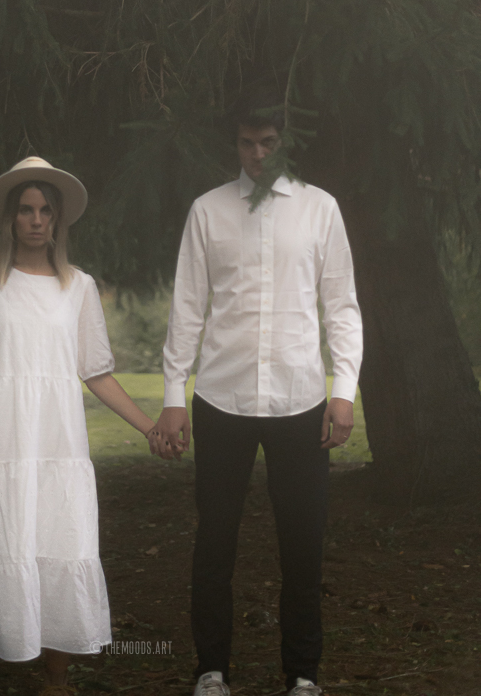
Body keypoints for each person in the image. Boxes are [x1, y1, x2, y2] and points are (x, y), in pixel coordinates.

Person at [148, 94, 363, 696]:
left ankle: (303, 675)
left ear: (285, 140)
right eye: (247, 143)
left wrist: (343, 390)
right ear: (235, 142)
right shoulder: (208, 211)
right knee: (215, 541)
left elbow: (341, 306)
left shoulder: (320, 209)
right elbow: (187, 308)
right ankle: (211, 670)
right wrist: (173, 394)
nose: (258, 154)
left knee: (303, 545)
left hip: (301, 402)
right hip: (223, 400)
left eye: (269, 143)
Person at [0, 156, 156, 696]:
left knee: (60, 542)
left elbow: (95, 373)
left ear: (57, 220)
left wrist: (150, 428)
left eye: (45, 211)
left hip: (57, 444)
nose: (36, 220)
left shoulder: (78, 287)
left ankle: (56, 680)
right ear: (10, 218)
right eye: (26, 210)